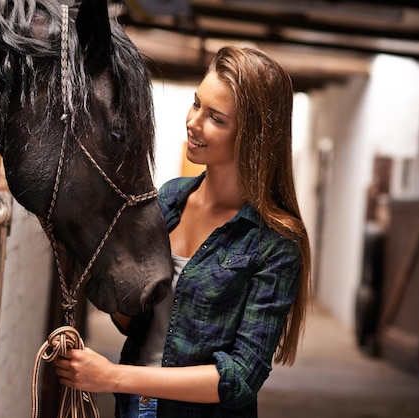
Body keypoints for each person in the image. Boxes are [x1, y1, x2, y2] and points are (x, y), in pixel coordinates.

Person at [54, 45, 312, 418]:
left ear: (253, 137)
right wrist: (106, 274)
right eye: (196, 104)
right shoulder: (167, 200)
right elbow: (137, 324)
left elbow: (239, 378)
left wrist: (113, 377)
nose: (193, 122)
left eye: (216, 118)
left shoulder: (275, 242)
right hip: (134, 409)